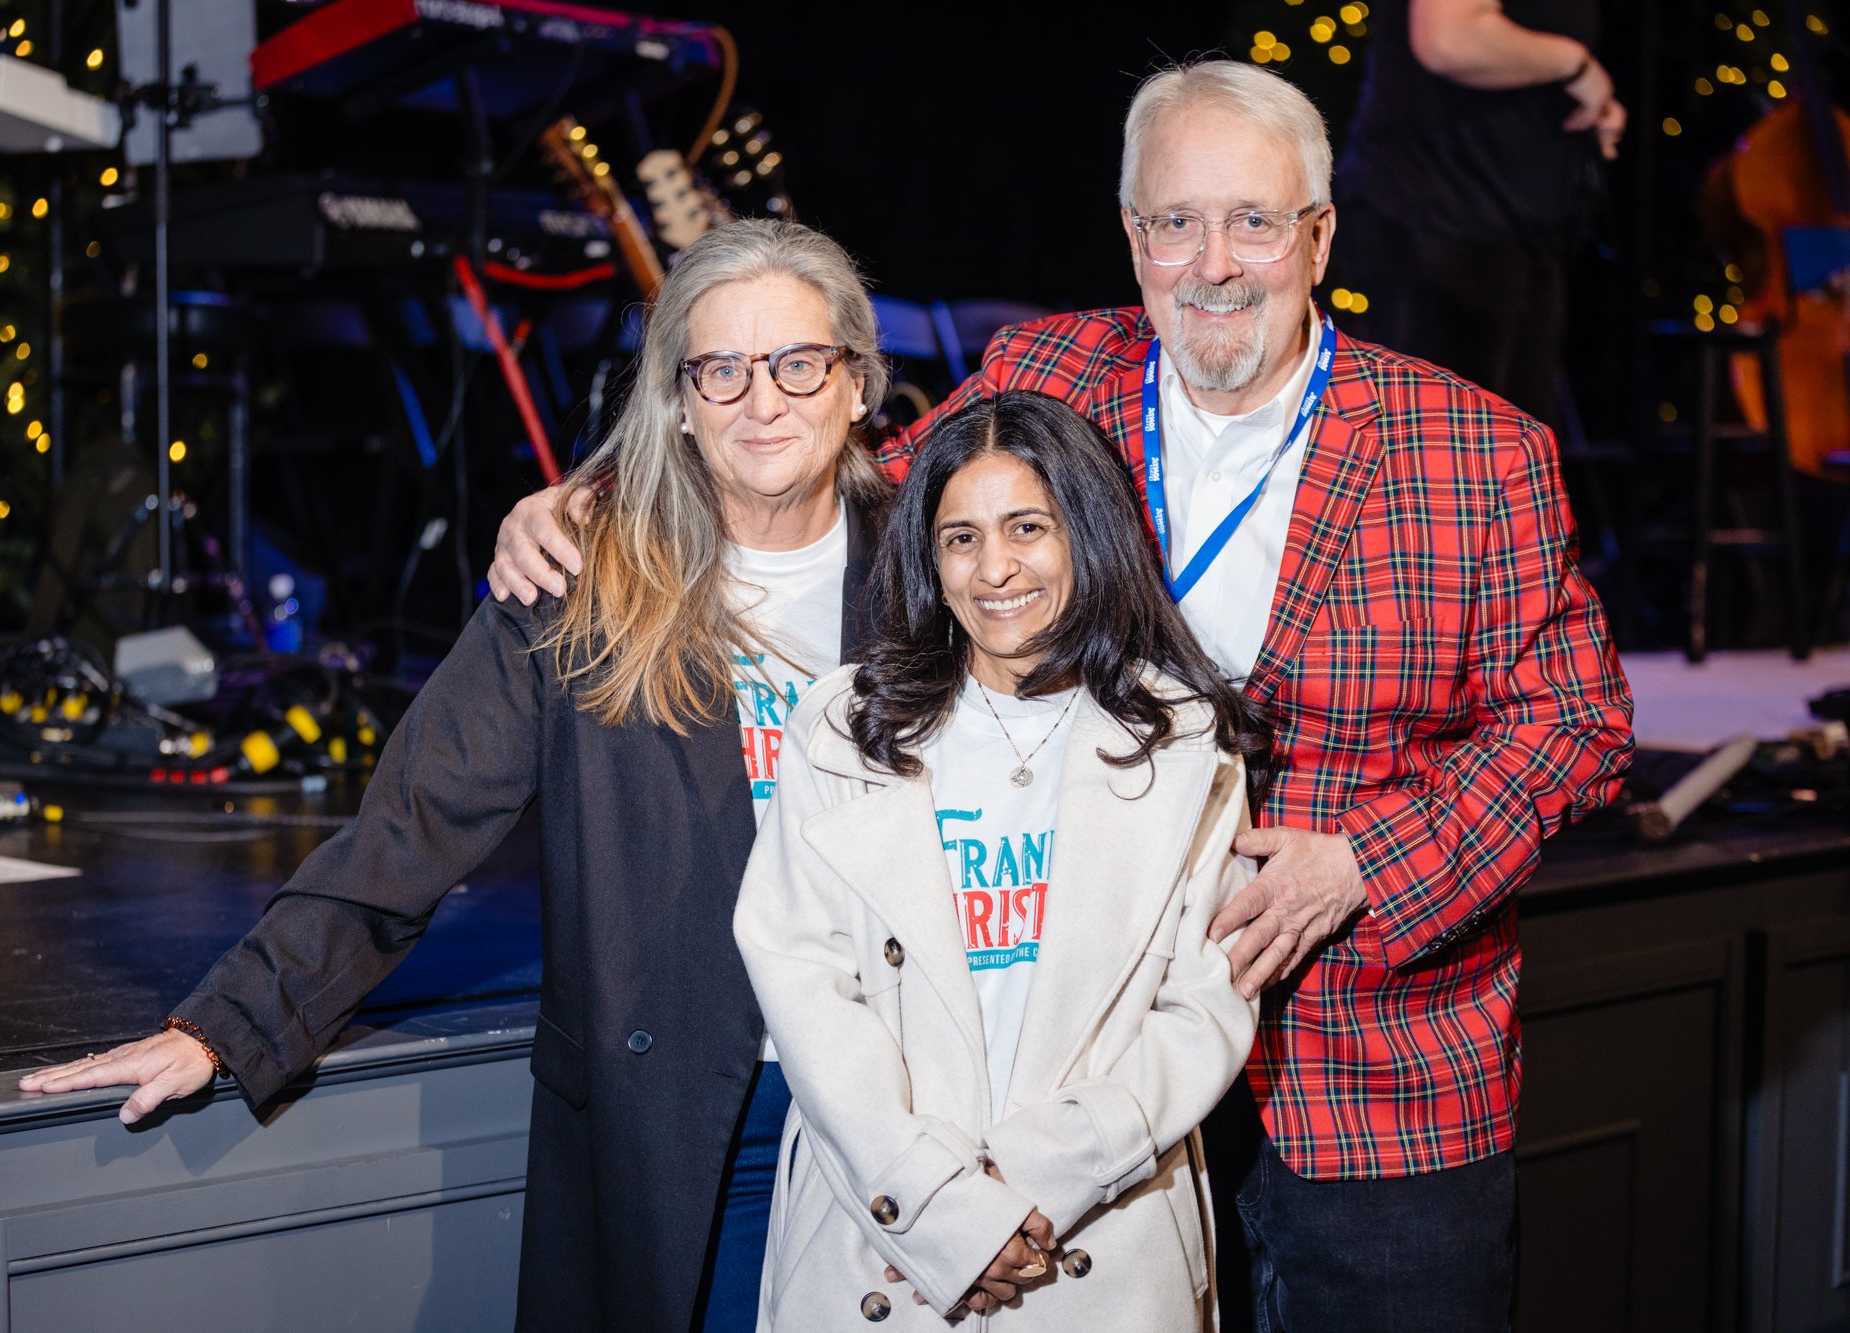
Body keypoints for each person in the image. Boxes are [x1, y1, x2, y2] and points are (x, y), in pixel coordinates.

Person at [490, 60, 1635, 1329]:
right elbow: (835, 478)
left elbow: (1573, 725)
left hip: (1369, 1082)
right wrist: (602, 495)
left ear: (1317, 236)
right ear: (1132, 236)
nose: (1213, 263)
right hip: (1084, 1091)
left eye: (1253, 221)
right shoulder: (1050, 372)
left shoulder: (1473, 449)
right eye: (1174, 222)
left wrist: (1365, 862)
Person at [17, 218, 901, 1333]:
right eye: (721, 369)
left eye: (798, 363)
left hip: (903, 1113)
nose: (761, 400)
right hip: (695, 1123)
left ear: (855, 384)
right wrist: (224, 1023)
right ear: (677, 402)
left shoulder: (936, 574)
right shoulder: (580, 585)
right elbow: (411, 823)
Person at [735, 390, 1261, 1328]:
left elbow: (1205, 1006)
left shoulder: (1183, 741)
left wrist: (1029, 1179)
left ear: (1087, 534)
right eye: (961, 538)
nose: (994, 568)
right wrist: (939, 1206)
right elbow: (803, 981)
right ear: (929, 560)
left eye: (1027, 527)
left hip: (1098, 1236)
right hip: (882, 1236)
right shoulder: (844, 728)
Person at [1334, 0, 1626, 429]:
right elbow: (1448, 40)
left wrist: (1590, 100)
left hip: (1506, 230)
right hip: (1443, 219)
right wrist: (1577, 67)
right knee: (1448, 453)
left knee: (1511, 453)